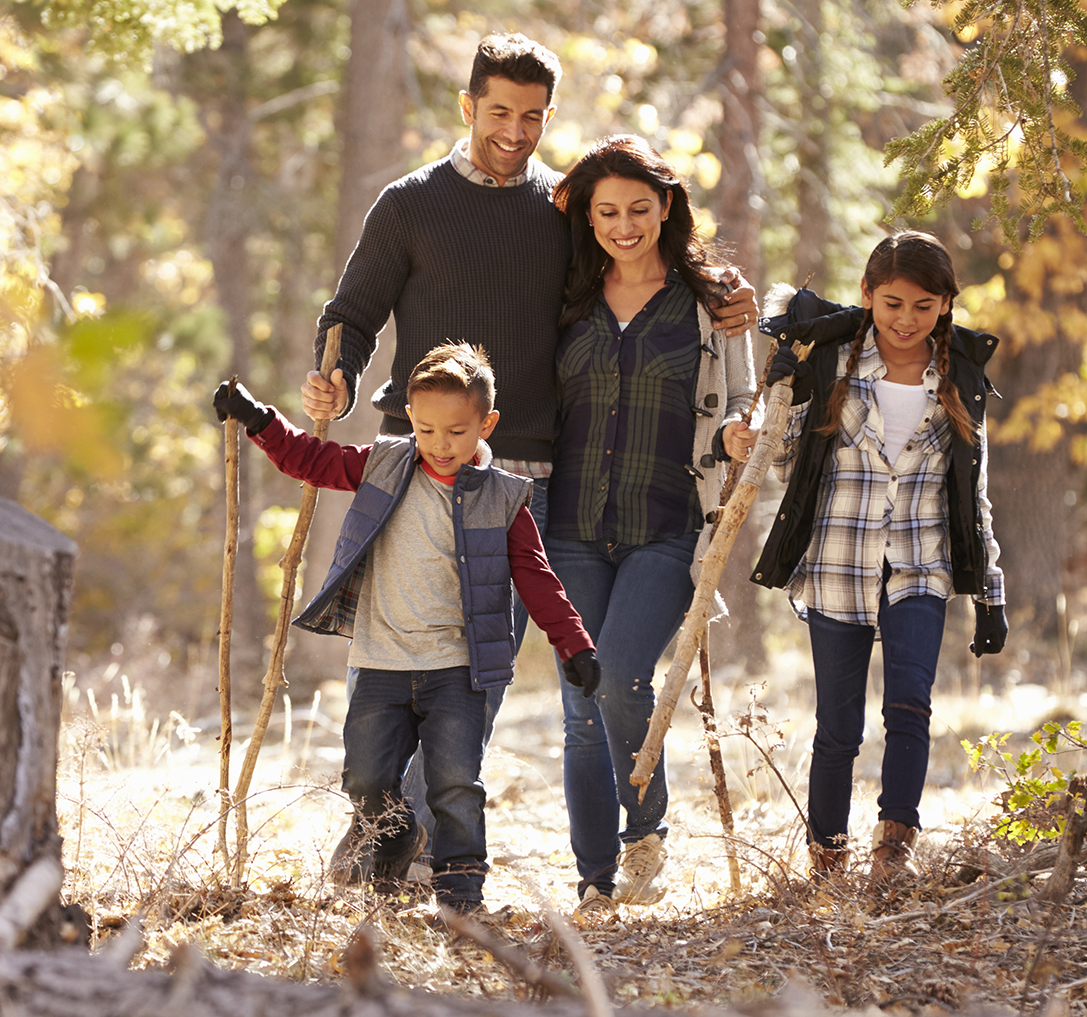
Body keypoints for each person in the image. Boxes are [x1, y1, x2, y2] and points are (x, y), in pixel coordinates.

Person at [300, 33, 758, 859]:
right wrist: (332, 372)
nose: (515, 130)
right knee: (404, 656)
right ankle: (378, 822)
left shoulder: (562, 209)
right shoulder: (408, 203)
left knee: (483, 671)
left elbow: (642, 263)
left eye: (534, 116)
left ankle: (405, 842)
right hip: (414, 465)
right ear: (468, 105)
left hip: (527, 478)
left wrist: (726, 294)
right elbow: (353, 314)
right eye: (500, 111)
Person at [214, 343, 600, 914]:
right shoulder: (385, 464)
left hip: (458, 670)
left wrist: (574, 643)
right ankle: (394, 837)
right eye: (425, 429)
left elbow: (536, 577)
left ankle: (462, 892)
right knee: (365, 779)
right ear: (410, 421)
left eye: (456, 431)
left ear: (486, 424)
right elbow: (312, 460)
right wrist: (257, 418)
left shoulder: (504, 497)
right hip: (380, 663)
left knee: (454, 785)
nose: (440, 445)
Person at [751, 231, 1008, 880]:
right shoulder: (833, 361)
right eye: (892, 302)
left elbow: (973, 490)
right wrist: (781, 392)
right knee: (838, 724)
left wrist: (991, 592)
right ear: (867, 295)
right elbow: (784, 464)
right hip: (838, 562)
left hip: (921, 565)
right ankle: (827, 854)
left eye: (924, 306)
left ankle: (895, 847)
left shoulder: (960, 378)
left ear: (946, 304)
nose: (906, 319)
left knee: (910, 706)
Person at [546, 135, 759, 917]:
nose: (624, 224)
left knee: (624, 673)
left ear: (666, 206)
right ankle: (595, 878)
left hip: (667, 525)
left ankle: (646, 826)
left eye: (639, 207)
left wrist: (741, 429)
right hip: (569, 525)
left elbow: (745, 395)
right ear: (591, 217)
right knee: (579, 703)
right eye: (607, 210)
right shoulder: (566, 293)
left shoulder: (711, 301)